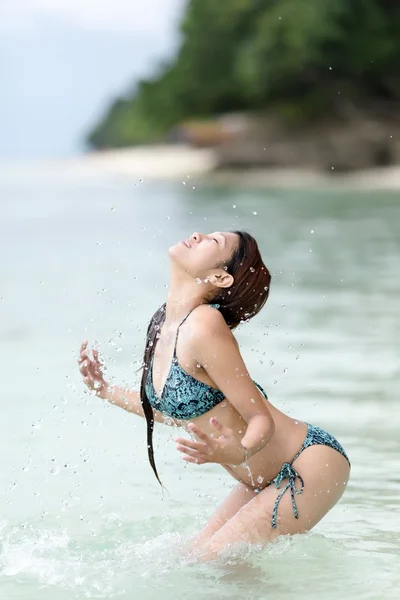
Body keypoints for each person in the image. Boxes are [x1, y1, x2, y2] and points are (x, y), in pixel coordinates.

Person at [78, 230, 350, 560]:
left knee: (214, 561)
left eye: (213, 241)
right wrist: (105, 390)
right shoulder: (165, 324)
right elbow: (179, 413)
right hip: (260, 478)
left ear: (220, 276)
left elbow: (259, 418)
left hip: (307, 462)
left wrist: (238, 451)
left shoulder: (204, 325)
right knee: (192, 557)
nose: (197, 235)